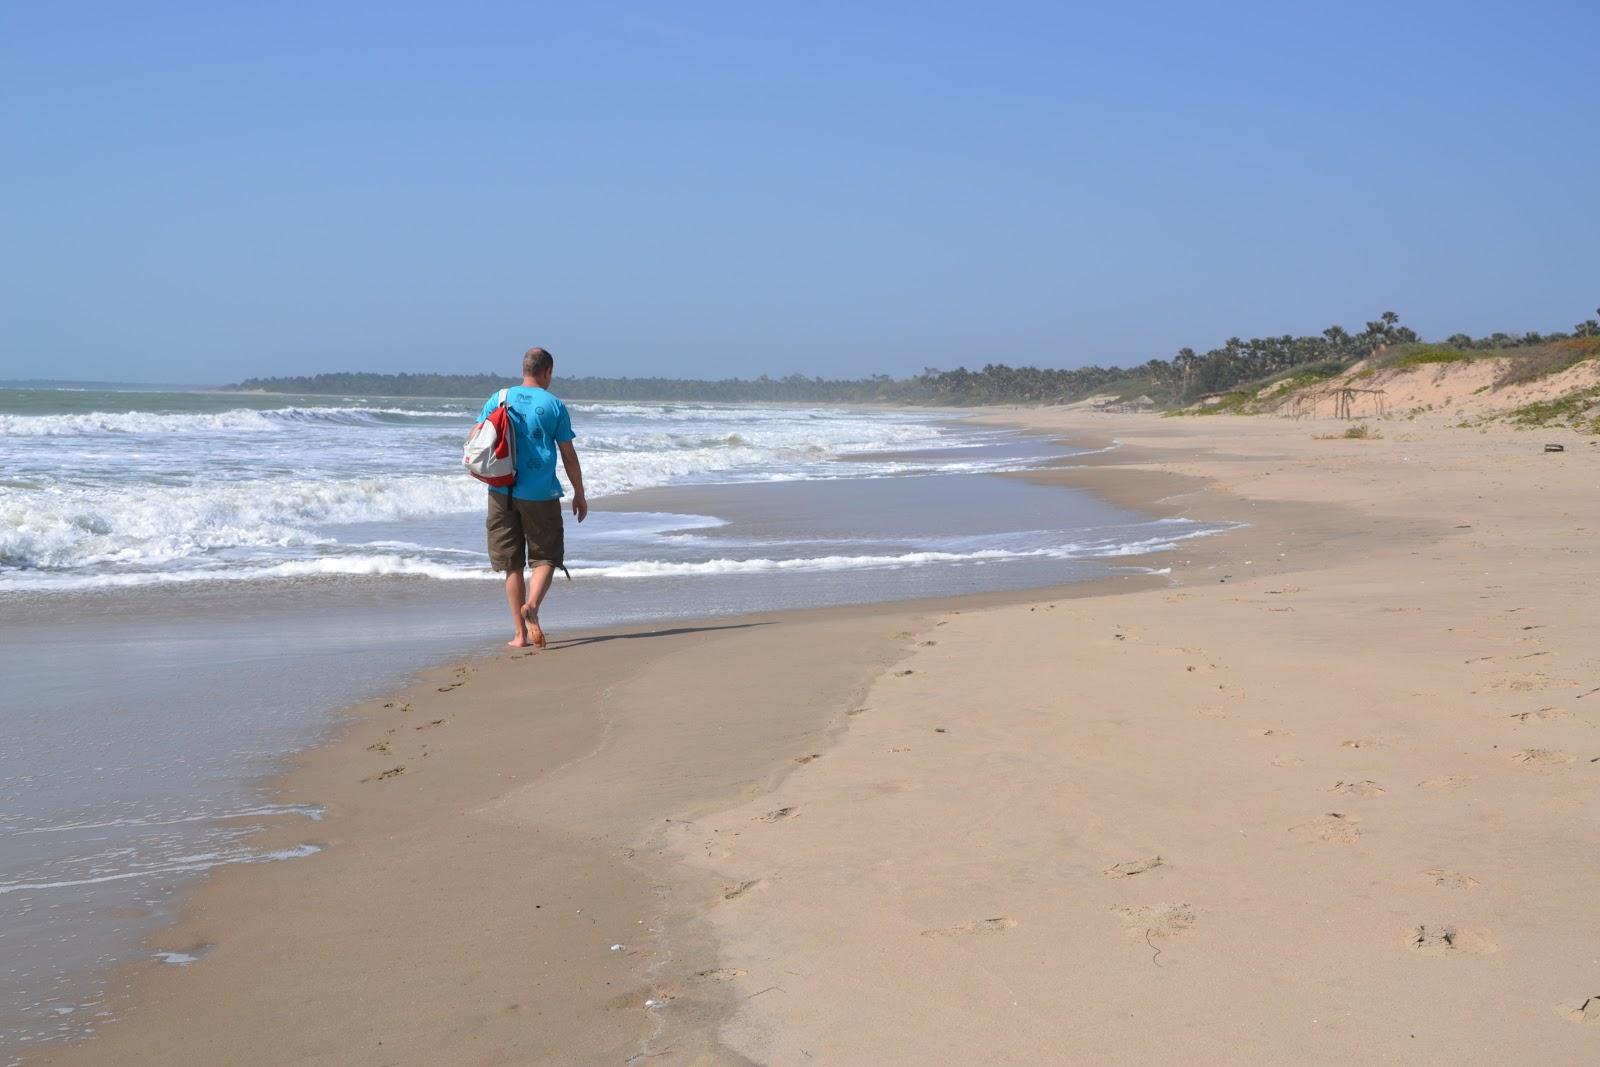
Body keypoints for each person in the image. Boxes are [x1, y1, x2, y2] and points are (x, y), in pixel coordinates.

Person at [481, 346, 587, 648]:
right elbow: (568, 453)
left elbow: (479, 438)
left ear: (524, 369)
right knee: (545, 556)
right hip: (540, 493)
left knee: (511, 564)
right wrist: (579, 493)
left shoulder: (499, 398)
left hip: (501, 490)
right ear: (547, 371)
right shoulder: (553, 405)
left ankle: (519, 634)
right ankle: (533, 606)